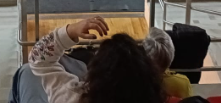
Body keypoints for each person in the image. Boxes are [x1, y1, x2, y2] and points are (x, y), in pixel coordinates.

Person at [27, 17, 162, 103]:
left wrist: (71, 31)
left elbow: (38, 57)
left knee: (24, 74)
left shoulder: (71, 97)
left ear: (96, 72)